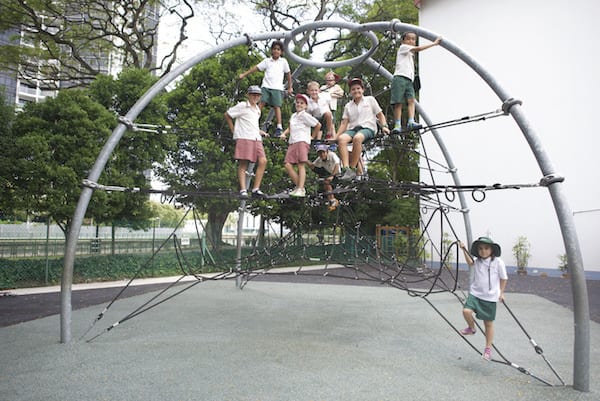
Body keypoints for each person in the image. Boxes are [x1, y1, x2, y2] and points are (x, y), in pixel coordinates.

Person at [459, 237, 508, 361]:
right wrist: (464, 249)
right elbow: (470, 262)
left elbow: (503, 278)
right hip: (475, 293)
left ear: (492, 250)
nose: (483, 251)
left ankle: (487, 348)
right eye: (480, 249)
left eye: (486, 248)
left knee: (488, 324)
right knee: (466, 311)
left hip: (490, 297)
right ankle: (471, 328)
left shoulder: (498, 262)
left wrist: (501, 293)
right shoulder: (478, 261)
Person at [335, 77, 390, 181]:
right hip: (353, 129)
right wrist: (336, 136)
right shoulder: (348, 106)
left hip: (367, 128)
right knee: (341, 139)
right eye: (353, 89)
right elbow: (344, 123)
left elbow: (380, 115)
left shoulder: (370, 100)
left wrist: (384, 127)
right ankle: (345, 168)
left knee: (357, 138)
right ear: (350, 92)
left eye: (358, 88)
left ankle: (352, 167)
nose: (356, 91)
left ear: (362, 89)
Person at [239, 40, 293, 137]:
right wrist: (244, 74)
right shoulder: (267, 61)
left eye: (278, 49)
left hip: (277, 87)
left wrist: (290, 87)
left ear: (281, 52)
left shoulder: (283, 62)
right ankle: (253, 121)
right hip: (266, 86)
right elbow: (256, 68)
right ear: (272, 50)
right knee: (260, 103)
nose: (276, 51)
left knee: (277, 106)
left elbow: (288, 74)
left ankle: (279, 127)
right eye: (275, 49)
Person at [391, 32, 442, 134]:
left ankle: (411, 121)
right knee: (398, 102)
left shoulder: (410, 54)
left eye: (413, 39)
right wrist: (434, 43)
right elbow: (418, 49)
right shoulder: (403, 48)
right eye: (408, 39)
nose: (411, 41)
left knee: (411, 101)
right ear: (403, 41)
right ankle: (397, 124)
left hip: (409, 80)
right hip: (400, 78)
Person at [224, 85, 269, 199]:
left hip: (256, 138)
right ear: (248, 95)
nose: (255, 97)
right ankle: (243, 190)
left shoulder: (257, 110)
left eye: (257, 95)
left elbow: (251, 124)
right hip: (245, 137)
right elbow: (228, 115)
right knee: (243, 163)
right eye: (253, 94)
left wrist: (260, 132)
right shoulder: (242, 106)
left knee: (263, 161)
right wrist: (234, 130)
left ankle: (255, 189)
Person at [280, 94, 321, 197]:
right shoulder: (293, 116)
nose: (299, 104)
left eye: (302, 103)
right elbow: (290, 127)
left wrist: (312, 136)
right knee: (287, 164)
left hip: (302, 140)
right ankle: (300, 186)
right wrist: (284, 133)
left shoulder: (305, 115)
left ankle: (300, 188)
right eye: (297, 102)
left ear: (306, 106)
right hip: (293, 141)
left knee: (300, 164)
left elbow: (317, 125)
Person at [308, 143, 341, 211]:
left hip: (337, 174)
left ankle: (333, 199)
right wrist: (304, 159)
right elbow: (313, 166)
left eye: (323, 152)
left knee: (327, 182)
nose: (322, 154)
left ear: (327, 151)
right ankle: (331, 200)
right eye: (320, 153)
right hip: (328, 173)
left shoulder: (332, 155)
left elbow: (337, 165)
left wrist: (332, 176)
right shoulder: (320, 159)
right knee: (324, 181)